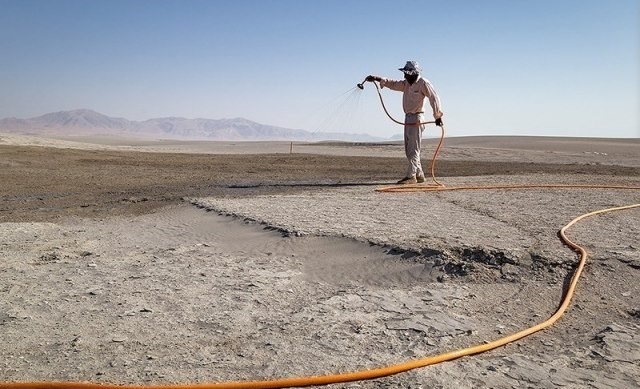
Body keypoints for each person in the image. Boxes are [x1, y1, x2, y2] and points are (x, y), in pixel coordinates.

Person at [366, 61, 444, 184]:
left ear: (413, 73)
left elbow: (434, 98)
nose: (404, 76)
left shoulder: (423, 83)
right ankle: (419, 174)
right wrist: (376, 78)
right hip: (408, 119)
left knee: (414, 149)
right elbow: (393, 83)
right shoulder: (406, 84)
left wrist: (437, 116)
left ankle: (411, 176)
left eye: (406, 73)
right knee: (409, 149)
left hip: (417, 118)